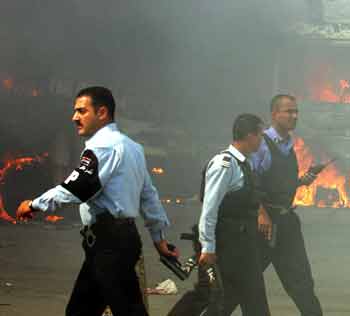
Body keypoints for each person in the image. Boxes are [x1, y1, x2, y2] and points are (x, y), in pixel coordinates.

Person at [16, 86, 178, 316]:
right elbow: (148, 195)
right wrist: (159, 238)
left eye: (82, 111)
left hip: (109, 245)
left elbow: (77, 187)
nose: (75, 118)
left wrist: (34, 204)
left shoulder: (102, 147)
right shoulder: (134, 148)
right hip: (112, 243)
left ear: (102, 113)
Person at [249, 94, 323, 316]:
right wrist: (261, 212)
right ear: (274, 114)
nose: (294, 116)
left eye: (296, 111)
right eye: (289, 111)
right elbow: (249, 180)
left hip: (286, 223)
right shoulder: (261, 144)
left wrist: (301, 182)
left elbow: (278, 183)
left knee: (302, 284)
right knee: (243, 283)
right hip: (263, 225)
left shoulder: (290, 145)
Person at [198, 113, 270, 316]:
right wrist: (207, 246)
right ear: (249, 135)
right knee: (226, 301)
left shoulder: (243, 164)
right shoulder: (225, 164)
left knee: (252, 301)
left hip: (244, 244)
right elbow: (210, 209)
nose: (262, 140)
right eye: (260, 135)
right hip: (229, 245)